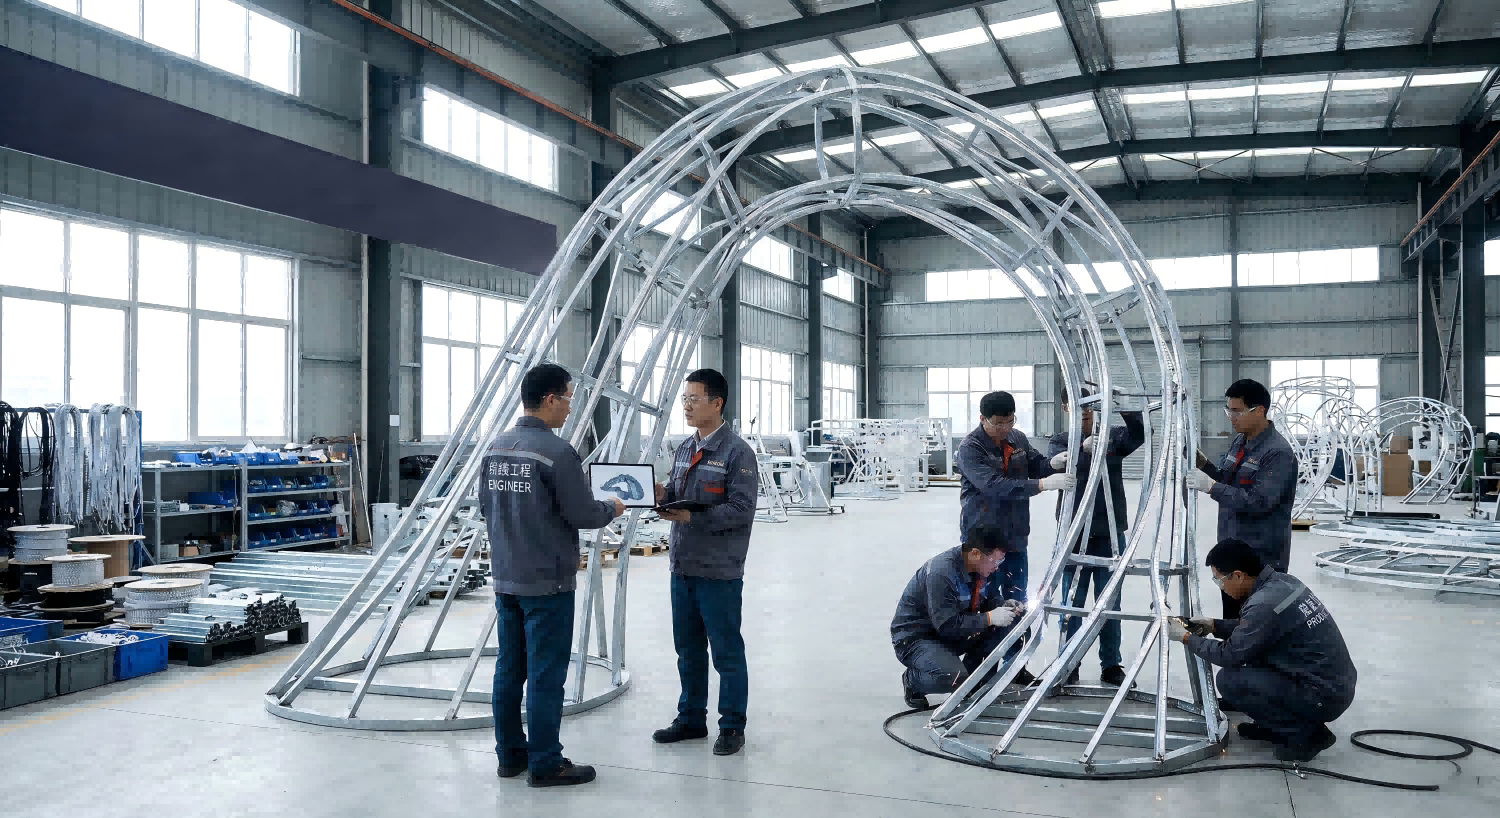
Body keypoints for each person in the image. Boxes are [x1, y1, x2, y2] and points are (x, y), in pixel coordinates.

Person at [480, 363, 625, 788]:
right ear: (549, 399)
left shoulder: (495, 448)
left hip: (507, 577)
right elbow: (582, 513)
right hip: (547, 581)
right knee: (546, 674)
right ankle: (545, 762)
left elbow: (486, 506)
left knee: (509, 669)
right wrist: (612, 507)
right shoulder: (557, 452)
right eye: (568, 398)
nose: (569, 407)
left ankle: (510, 756)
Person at [650, 369, 759, 757]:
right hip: (683, 567)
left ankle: (732, 725)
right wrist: (660, 494)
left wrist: (693, 518)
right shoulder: (684, 448)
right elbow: (679, 493)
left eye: (694, 399)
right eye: (685, 399)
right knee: (688, 650)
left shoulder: (737, 453)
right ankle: (691, 718)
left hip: (718, 570)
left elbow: (742, 510)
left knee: (726, 652)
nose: (687, 406)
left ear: (717, 403)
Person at [1170, 538, 1356, 763]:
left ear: (1238, 575)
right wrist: (1213, 625)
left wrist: (1186, 638)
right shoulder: (1283, 582)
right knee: (1253, 660)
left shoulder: (1264, 604)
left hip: (1322, 695)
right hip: (1332, 683)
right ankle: (1277, 727)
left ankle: (1306, 735)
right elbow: (1255, 629)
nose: (1221, 587)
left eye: (1219, 580)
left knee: (1231, 681)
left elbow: (1229, 654)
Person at [955, 391, 1075, 684]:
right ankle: (980, 673)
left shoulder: (1017, 438)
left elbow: (1035, 464)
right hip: (983, 542)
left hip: (1015, 538)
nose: (1005, 428)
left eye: (1010, 421)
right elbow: (994, 485)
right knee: (984, 606)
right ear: (983, 419)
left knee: (1017, 603)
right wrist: (1042, 485)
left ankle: (1015, 667)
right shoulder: (970, 449)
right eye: (998, 423)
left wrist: (1052, 464)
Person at [1046, 389, 1145, 687]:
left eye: (1090, 406)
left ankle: (1111, 665)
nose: (1085, 412)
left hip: (1109, 532)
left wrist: (1125, 406)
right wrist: (1081, 450)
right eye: (1078, 406)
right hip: (1074, 532)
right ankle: (1068, 663)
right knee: (1072, 604)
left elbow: (1140, 434)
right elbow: (1058, 464)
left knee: (1109, 603)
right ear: (1066, 408)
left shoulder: (1112, 436)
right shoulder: (1060, 441)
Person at [1187, 378, 1299, 619]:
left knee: (1256, 623)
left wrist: (1211, 488)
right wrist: (1205, 466)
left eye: (1237, 411)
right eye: (1228, 410)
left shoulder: (1277, 452)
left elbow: (1259, 502)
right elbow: (1228, 480)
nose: (1231, 417)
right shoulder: (1240, 441)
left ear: (1260, 410)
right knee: (1233, 620)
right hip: (1232, 551)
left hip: (1260, 558)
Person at [891, 524, 1027, 709]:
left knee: (1008, 625)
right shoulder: (941, 573)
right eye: (994, 561)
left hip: (952, 632)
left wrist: (1004, 606)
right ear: (975, 554)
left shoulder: (982, 567)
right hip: (917, 639)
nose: (996, 567)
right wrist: (989, 618)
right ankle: (913, 680)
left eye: (1000, 562)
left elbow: (990, 596)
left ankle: (975, 685)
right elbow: (948, 626)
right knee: (953, 677)